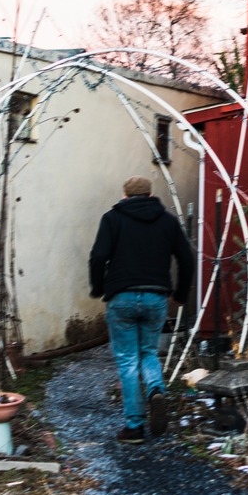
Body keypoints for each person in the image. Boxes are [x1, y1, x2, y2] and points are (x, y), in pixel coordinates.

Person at [89, 175, 194, 444]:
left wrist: (98, 287)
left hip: (121, 296)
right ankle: (156, 390)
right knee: (148, 352)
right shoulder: (167, 221)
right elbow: (186, 258)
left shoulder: (112, 219)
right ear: (150, 195)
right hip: (155, 296)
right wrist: (181, 294)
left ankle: (134, 426)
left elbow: (98, 256)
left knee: (127, 359)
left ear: (125, 196)